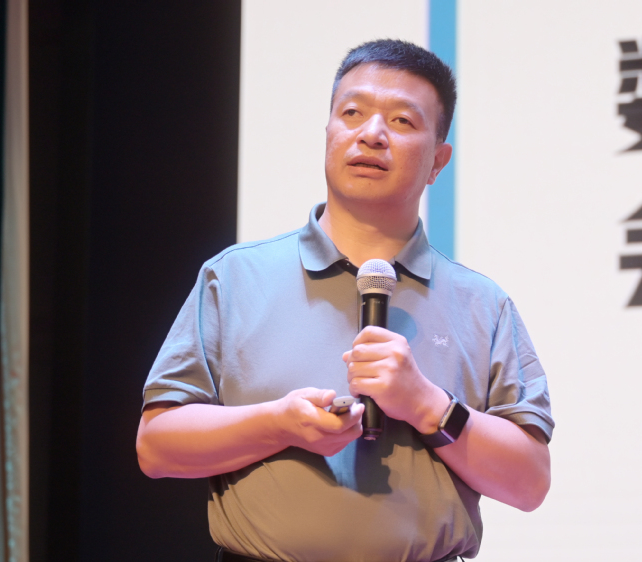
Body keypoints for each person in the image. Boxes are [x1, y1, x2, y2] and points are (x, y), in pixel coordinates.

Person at [136, 39, 553, 562]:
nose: (371, 134)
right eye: (352, 113)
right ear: (329, 133)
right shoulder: (235, 277)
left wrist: (428, 405)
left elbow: (529, 483)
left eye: (402, 121)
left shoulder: (482, 304)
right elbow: (156, 447)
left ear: (437, 161)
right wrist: (278, 424)